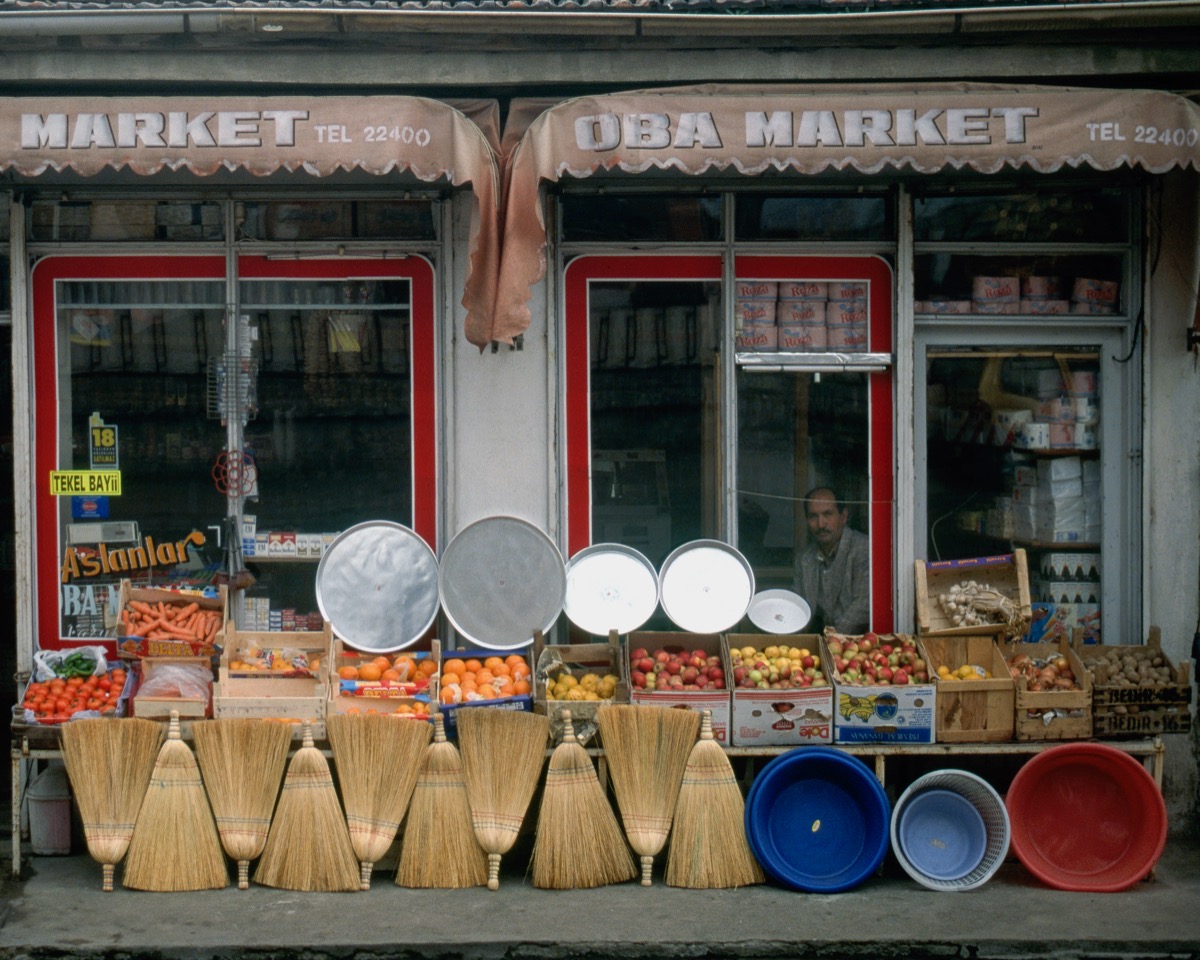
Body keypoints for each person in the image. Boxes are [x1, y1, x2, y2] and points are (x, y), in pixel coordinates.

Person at [794, 486, 870, 634]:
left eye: (828, 514)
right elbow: (798, 608)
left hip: (857, 642)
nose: (821, 524)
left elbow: (864, 604)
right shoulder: (804, 558)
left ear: (843, 516)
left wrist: (831, 638)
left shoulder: (864, 549)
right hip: (818, 642)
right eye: (813, 516)